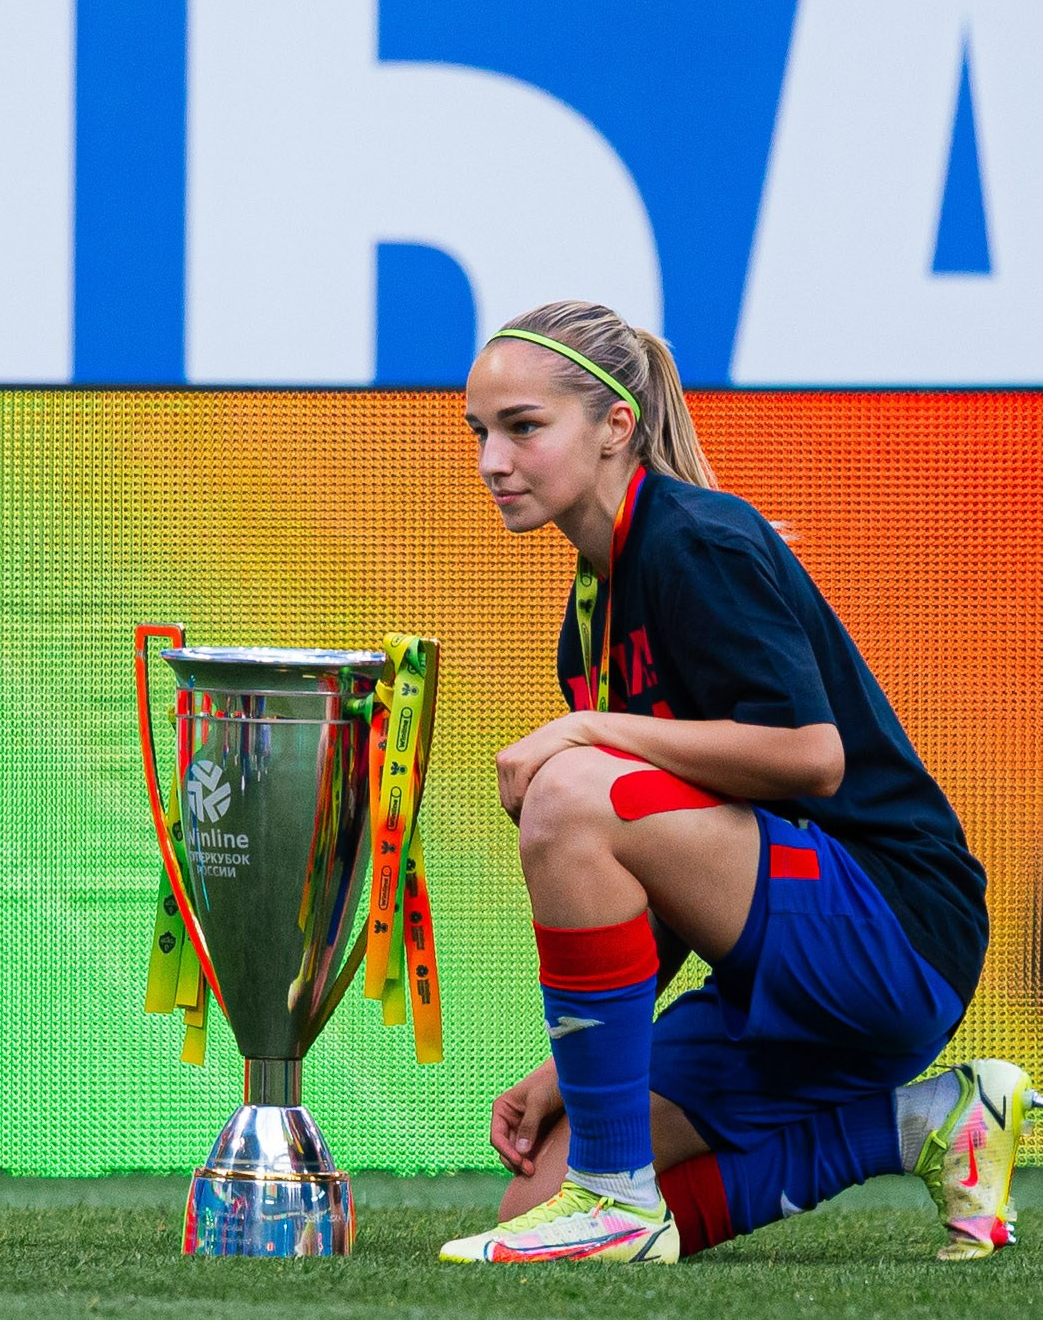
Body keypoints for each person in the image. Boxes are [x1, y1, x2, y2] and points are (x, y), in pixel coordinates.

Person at [440, 300, 1029, 1266]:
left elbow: (812, 755)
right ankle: (927, 1123)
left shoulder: (694, 539)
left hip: (896, 934)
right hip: (776, 964)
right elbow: (662, 878)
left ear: (615, 428)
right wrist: (572, 1066)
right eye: (480, 433)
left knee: (572, 786)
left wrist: (587, 728)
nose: (491, 461)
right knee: (531, 1188)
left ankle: (617, 1203)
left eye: (523, 427)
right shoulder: (587, 619)